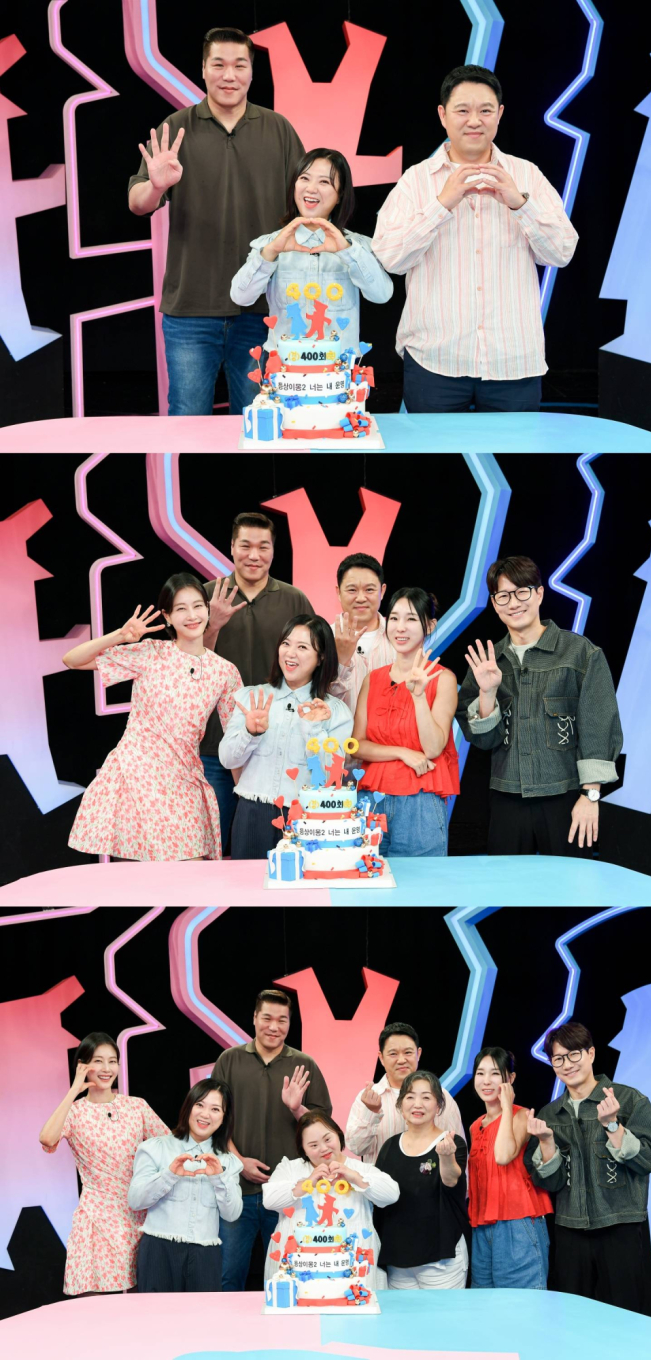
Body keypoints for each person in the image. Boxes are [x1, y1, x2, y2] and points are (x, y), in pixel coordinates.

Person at [372, 64, 578, 414]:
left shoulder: (526, 175)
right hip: (435, 361)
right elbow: (391, 258)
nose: (474, 121)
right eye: (462, 111)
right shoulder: (415, 180)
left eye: (485, 110)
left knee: (515, 452)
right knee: (433, 452)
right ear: (443, 115)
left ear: (499, 114)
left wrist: (520, 204)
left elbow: (561, 252)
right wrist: (442, 204)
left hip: (513, 362)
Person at [128, 28, 304, 416]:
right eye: (219, 65)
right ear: (204, 69)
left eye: (239, 65)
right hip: (190, 309)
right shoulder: (175, 127)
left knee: (259, 423)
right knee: (187, 421)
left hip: (262, 309)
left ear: (251, 72)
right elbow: (137, 203)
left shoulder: (278, 129)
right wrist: (156, 186)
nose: (229, 75)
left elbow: (307, 205)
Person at [65, 574, 241, 861]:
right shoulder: (150, 653)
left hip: (185, 782)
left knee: (194, 872)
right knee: (146, 878)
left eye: (198, 606)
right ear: (167, 616)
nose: (192, 615)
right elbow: (73, 660)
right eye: (181, 608)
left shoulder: (225, 671)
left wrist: (245, 792)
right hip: (139, 779)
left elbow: (237, 739)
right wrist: (120, 635)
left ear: (208, 610)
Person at [456, 555, 623, 855]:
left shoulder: (580, 653)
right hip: (506, 798)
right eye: (503, 596)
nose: (513, 603)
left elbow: (599, 726)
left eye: (522, 592)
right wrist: (488, 693)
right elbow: (483, 741)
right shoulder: (487, 663)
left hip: (566, 797)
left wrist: (590, 796)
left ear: (539, 594)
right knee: (507, 883)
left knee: (569, 883)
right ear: (494, 603)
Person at [524, 1021, 651, 1313]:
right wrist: (547, 1143)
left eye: (574, 1054)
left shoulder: (629, 1100)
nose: (567, 1064)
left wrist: (613, 1125)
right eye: (558, 1058)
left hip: (620, 1226)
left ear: (590, 1053)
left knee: (625, 1314)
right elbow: (549, 1183)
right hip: (570, 1229)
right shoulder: (550, 1114)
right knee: (572, 1316)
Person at [200, 511, 313, 850]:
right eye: (245, 546)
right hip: (215, 744)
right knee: (212, 846)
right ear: (232, 547)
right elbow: (186, 666)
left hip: (276, 748)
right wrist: (213, 624)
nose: (254, 555)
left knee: (272, 849)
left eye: (263, 547)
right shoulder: (207, 596)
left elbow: (313, 659)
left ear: (273, 551)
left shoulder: (294, 599)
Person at [211, 988, 332, 1292]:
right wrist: (239, 1162)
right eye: (267, 1018)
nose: (274, 1027)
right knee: (228, 1275)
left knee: (289, 1275)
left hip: (291, 1192)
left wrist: (296, 1108)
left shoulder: (304, 1064)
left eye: (282, 1020)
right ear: (254, 1018)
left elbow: (324, 1128)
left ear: (290, 1023)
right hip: (238, 1190)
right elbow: (214, 1119)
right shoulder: (229, 1060)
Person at [230, 148, 393, 359]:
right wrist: (270, 253)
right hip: (285, 369)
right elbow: (240, 297)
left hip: (337, 368)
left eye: (324, 182)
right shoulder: (271, 244)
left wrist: (348, 252)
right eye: (304, 178)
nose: (311, 188)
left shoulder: (357, 246)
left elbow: (382, 295)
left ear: (340, 195)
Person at [39, 1032, 168, 1295]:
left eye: (112, 1061)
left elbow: (169, 1147)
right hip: (96, 1219)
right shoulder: (75, 1111)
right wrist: (74, 1090)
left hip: (137, 1215)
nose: (107, 1068)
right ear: (83, 1066)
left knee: (141, 1301)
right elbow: (47, 1138)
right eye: (98, 1061)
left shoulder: (136, 1107)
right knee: (95, 1305)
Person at [219, 614, 352, 860]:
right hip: (251, 814)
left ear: (321, 657)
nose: (290, 653)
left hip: (306, 818)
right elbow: (227, 760)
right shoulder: (253, 698)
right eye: (286, 643)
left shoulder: (334, 711)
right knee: (248, 884)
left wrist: (313, 730)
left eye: (302, 647)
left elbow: (331, 779)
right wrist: (250, 732)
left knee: (300, 885)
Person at [353, 587, 459, 856]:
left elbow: (433, 748)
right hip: (370, 802)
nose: (400, 627)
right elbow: (356, 746)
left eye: (411, 619)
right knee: (367, 878)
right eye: (394, 618)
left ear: (429, 625)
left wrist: (419, 696)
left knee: (421, 881)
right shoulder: (373, 679)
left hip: (420, 804)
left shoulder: (443, 679)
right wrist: (403, 753)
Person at [262, 1110, 400, 1294]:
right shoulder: (289, 1168)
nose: (323, 1148)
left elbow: (392, 1194)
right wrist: (308, 1182)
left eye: (328, 1139)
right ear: (303, 1148)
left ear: (338, 1134)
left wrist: (354, 1177)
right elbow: (269, 1200)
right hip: (299, 1266)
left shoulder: (360, 1169)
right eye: (313, 1145)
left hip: (351, 1265)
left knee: (353, 1307)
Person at [128, 1079, 242, 1292]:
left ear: (224, 1118)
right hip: (159, 1250)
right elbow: (135, 1200)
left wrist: (218, 1178)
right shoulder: (156, 1148)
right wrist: (169, 1175)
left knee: (204, 1314)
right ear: (188, 1106)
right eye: (200, 1104)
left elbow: (232, 1214)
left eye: (215, 1109)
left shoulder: (228, 1161)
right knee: (156, 1313)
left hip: (206, 1255)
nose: (205, 1114)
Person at [374, 1072, 469, 1289]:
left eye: (426, 1097)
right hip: (398, 1260)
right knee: (402, 1314)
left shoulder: (452, 1142)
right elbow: (379, 1195)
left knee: (442, 1313)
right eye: (410, 1097)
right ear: (400, 1104)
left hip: (441, 1260)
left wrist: (446, 1156)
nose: (417, 1104)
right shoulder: (389, 1146)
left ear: (439, 1106)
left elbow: (451, 1180)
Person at [468, 1046, 552, 1289]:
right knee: (484, 1305)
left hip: (518, 1224)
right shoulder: (475, 1126)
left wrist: (506, 1107)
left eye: (495, 1073)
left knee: (520, 1304)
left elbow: (503, 1155)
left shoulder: (521, 1115)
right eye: (480, 1073)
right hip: (483, 1227)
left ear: (511, 1078)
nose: (486, 1081)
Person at [346, 1022, 465, 1161]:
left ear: (418, 1053)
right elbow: (356, 1148)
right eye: (393, 1054)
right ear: (381, 1058)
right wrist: (372, 1112)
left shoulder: (442, 1096)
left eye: (408, 1052)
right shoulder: (367, 1098)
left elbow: (459, 1152)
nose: (401, 1060)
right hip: (380, 1175)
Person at [329, 553, 395, 714]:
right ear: (338, 592)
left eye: (369, 590)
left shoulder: (400, 637)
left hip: (389, 731)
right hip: (339, 730)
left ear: (382, 591)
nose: (360, 598)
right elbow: (317, 699)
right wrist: (341, 661)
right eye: (352, 590)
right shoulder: (323, 638)